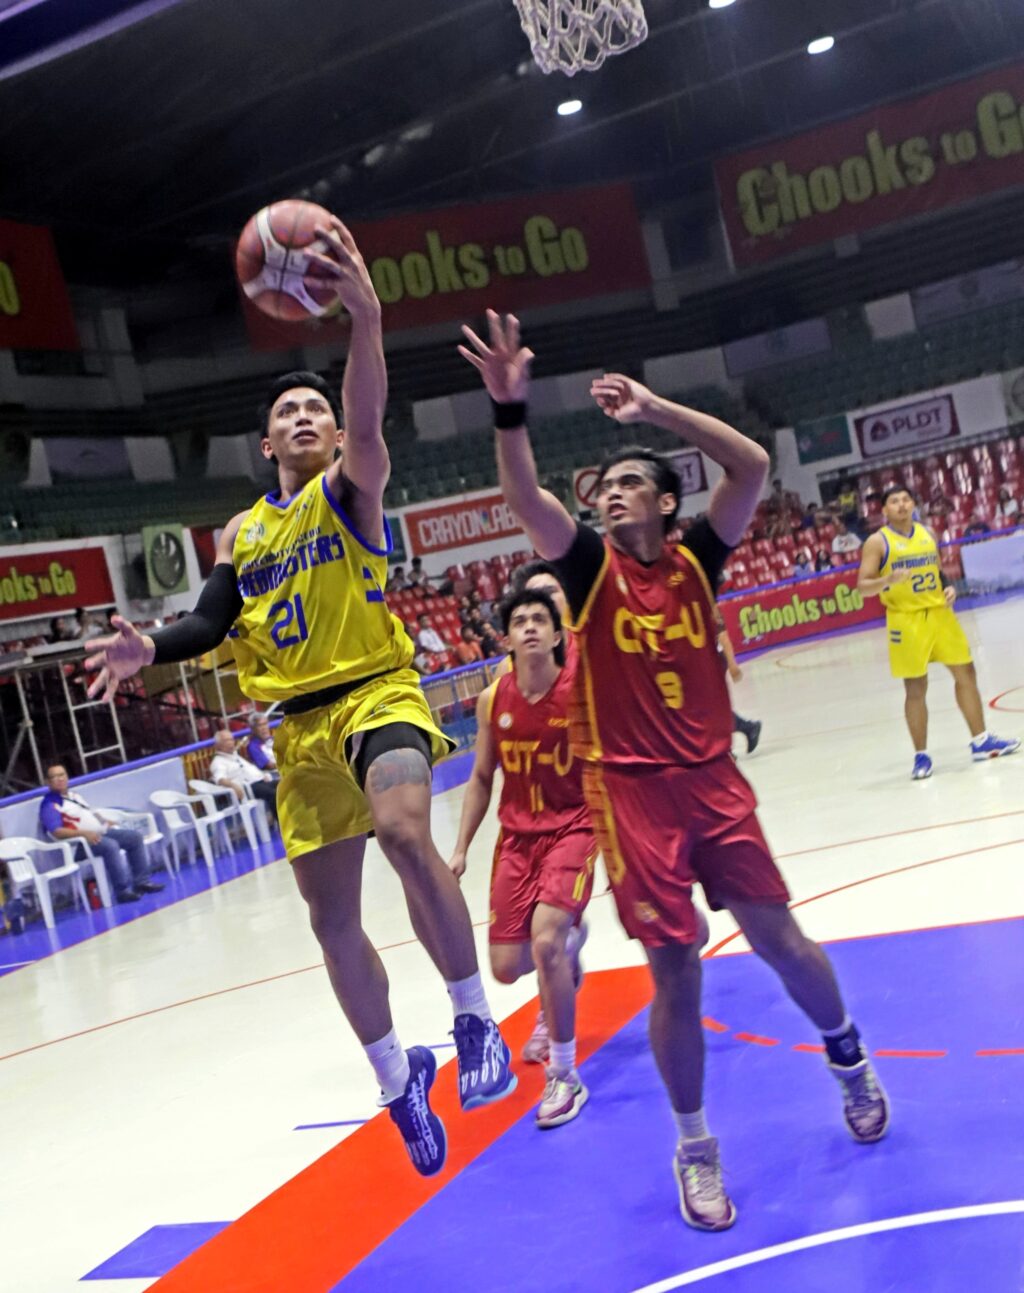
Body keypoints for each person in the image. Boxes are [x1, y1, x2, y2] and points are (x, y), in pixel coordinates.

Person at [83, 220, 515, 1179]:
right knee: (330, 922)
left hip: (377, 692)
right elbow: (207, 621)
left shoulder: (351, 489)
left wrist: (364, 320)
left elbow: (366, 417)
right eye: (290, 410)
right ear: (267, 439)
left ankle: (474, 1019)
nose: (309, 416)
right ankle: (395, 1076)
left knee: (406, 830)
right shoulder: (242, 530)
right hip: (299, 731)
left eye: (317, 405)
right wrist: (149, 642)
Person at [460, 309, 889, 1233]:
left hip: (714, 782)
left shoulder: (701, 555)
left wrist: (655, 408)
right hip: (633, 796)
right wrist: (508, 408)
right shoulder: (582, 569)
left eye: (626, 486)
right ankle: (696, 1146)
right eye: (603, 489)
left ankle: (847, 1054)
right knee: (675, 970)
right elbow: (527, 497)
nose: (609, 497)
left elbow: (753, 466)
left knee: (781, 939)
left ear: (661, 499)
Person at [449, 588, 594, 1129]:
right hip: (517, 839)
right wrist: (461, 848)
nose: (530, 626)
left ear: (558, 635)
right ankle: (568, 949)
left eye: (540, 619)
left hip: (574, 827)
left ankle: (564, 1074)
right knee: (507, 969)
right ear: (505, 638)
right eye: (519, 620)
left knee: (545, 940)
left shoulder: (581, 690)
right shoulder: (493, 701)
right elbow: (483, 776)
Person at [856, 485, 1019, 780]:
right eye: (894, 501)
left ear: (913, 504)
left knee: (966, 674)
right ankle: (921, 756)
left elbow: (938, 569)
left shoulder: (927, 533)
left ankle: (981, 741)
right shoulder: (877, 543)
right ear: (884, 510)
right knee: (916, 688)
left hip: (940, 615)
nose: (902, 505)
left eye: (906, 499)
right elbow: (863, 585)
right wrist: (888, 580)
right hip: (906, 620)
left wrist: (948, 586)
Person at [39, 764, 164, 903]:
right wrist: (84, 834)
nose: (59, 779)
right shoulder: (49, 805)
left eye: (61, 775)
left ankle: (142, 882)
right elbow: (57, 832)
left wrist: (105, 822)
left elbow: (90, 813)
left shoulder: (75, 796)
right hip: (79, 845)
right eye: (54, 777)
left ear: (67, 777)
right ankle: (122, 891)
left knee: (134, 837)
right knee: (110, 846)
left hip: (99, 834)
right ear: (48, 782)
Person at [713, 609, 761, 754]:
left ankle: (725, 749)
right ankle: (747, 728)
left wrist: (733, 664)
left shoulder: (707, 606)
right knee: (709, 709)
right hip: (701, 663)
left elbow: (723, 637)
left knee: (708, 708)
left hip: (712, 662)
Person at [208, 727, 278, 823]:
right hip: (248, 788)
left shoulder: (235, 756)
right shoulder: (218, 762)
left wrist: (263, 775)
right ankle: (283, 824)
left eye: (231, 739)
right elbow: (220, 779)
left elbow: (250, 770)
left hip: (260, 782)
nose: (231, 742)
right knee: (273, 794)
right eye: (226, 740)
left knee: (285, 786)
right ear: (218, 745)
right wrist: (233, 786)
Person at [246, 712, 279, 778]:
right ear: (253, 729)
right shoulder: (253, 747)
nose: (264, 728)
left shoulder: (274, 739)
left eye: (265, 724)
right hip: (273, 776)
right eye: (260, 725)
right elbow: (270, 766)